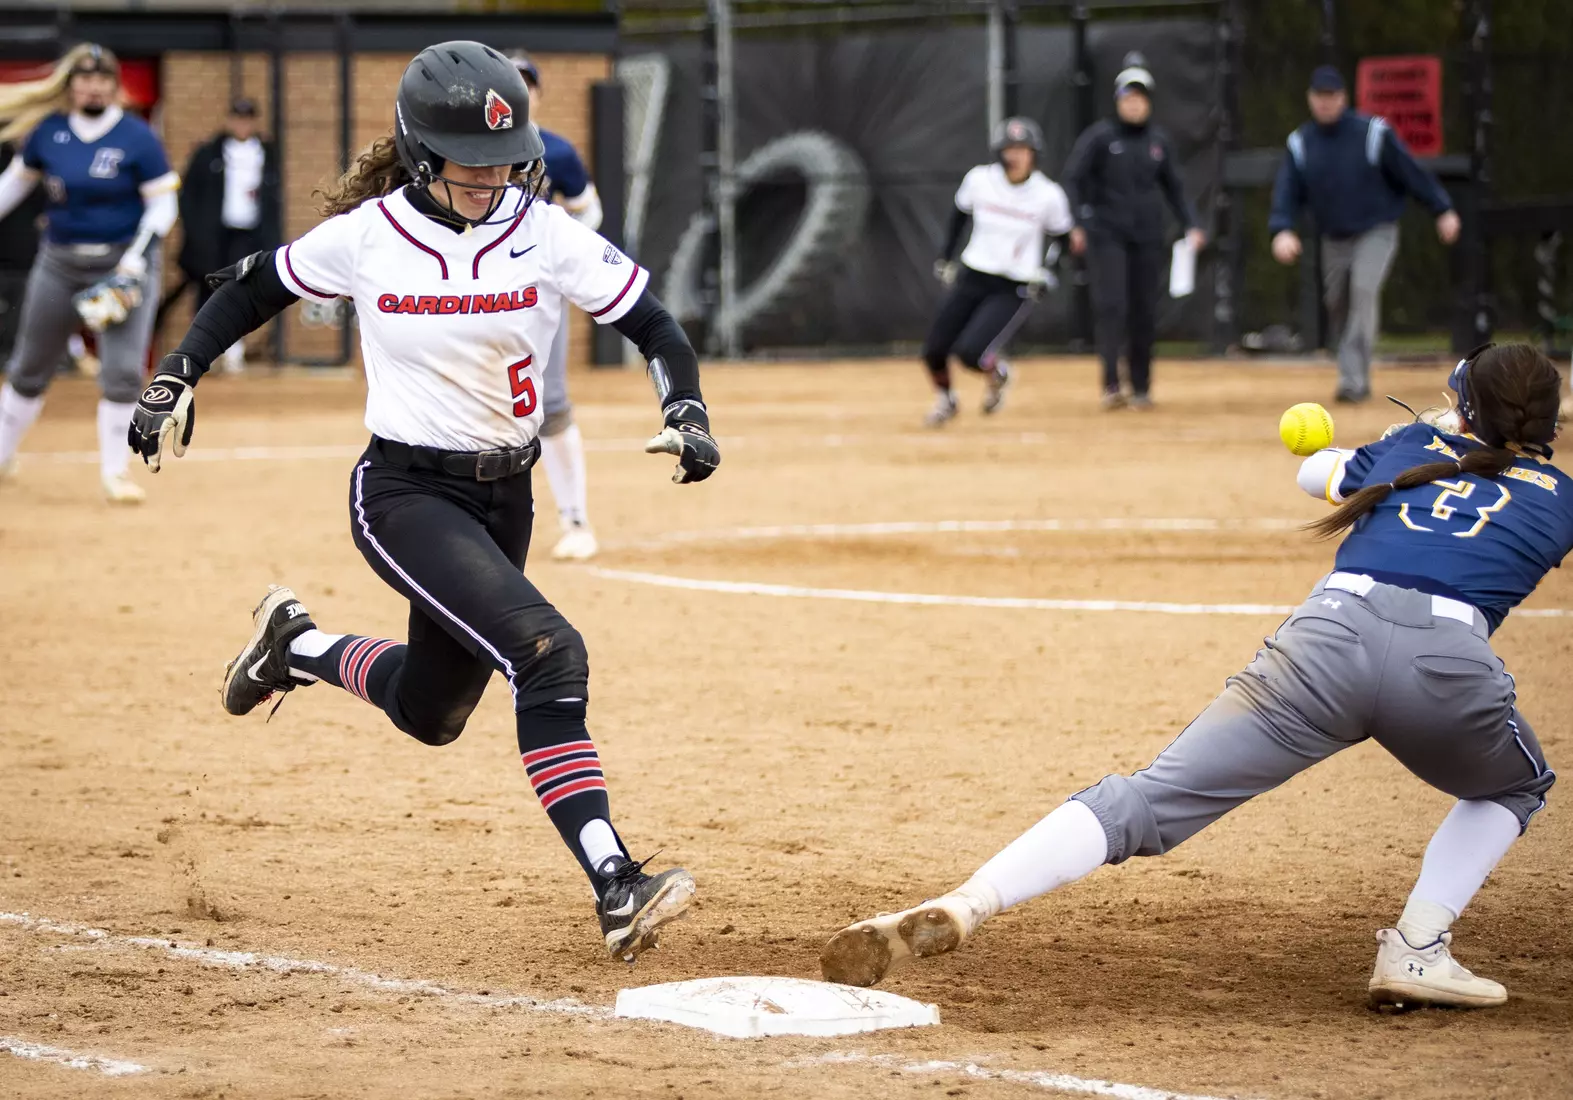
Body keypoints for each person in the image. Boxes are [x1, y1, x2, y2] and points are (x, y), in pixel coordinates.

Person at [126, 42, 720, 962]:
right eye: (468, 159)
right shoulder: (366, 236)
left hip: (505, 496)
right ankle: (615, 881)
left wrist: (684, 407)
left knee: (430, 712)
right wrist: (176, 373)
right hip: (403, 492)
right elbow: (252, 291)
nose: (491, 174)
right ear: (417, 151)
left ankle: (299, 646)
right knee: (549, 654)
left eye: (502, 155)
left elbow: (653, 323)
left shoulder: (539, 227)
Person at [823, 342, 1566, 1010]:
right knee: (1513, 784)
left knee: (1143, 801)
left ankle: (971, 899)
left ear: (1463, 407)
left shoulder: (1410, 447)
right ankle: (1415, 950)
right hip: (1447, 667)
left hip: (1321, 645)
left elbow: (1316, 472)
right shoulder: (1556, 495)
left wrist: (1416, 438)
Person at [0, 44, 178, 503]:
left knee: (121, 372)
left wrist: (138, 254)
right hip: (60, 261)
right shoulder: (49, 132)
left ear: (114, 84)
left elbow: (163, 203)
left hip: (122, 266)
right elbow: (13, 187)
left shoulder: (137, 136)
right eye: (84, 78)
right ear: (71, 84)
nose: (93, 86)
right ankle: (2, 454)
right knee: (29, 367)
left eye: (102, 78)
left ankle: (114, 474)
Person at [1270, 66, 1460, 404]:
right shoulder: (1301, 142)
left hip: (1377, 230)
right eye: (1319, 96)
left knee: (1363, 289)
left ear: (1343, 97)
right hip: (1334, 237)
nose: (1326, 103)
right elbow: (1287, 190)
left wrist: (1441, 208)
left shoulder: (1372, 133)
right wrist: (1282, 228)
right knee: (1338, 304)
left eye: (1332, 96)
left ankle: (1353, 382)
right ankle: (1352, 375)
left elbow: (1410, 173)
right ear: (1310, 99)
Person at [1063, 54, 1204, 411]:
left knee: (1144, 310)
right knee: (1112, 306)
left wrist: (1192, 223)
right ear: (1118, 100)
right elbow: (1074, 180)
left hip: (1147, 237)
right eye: (1128, 97)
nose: (1134, 104)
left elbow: (1175, 187)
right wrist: (1079, 221)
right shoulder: (1099, 138)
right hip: (1107, 235)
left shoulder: (1159, 142)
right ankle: (1111, 384)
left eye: (1140, 97)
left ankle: (1141, 386)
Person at [510, 51, 605, 560]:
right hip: (473, 294)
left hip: (539, 292)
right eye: (511, 83)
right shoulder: (468, 152)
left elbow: (590, 209)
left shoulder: (558, 152)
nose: (521, 93)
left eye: (528, 84)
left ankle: (575, 519)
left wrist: (561, 247)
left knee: (551, 404)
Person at [922, 116, 1071, 428]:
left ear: (1034, 153)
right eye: (1009, 148)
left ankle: (996, 373)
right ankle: (946, 399)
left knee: (970, 352)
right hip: (974, 273)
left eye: (1022, 148)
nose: (1015, 155)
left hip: (1013, 285)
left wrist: (1048, 271)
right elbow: (959, 216)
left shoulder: (1048, 194)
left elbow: (1062, 238)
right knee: (934, 349)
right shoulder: (979, 180)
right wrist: (946, 257)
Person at [177, 96, 281, 374]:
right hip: (214, 236)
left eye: (248, 119)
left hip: (248, 234)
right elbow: (188, 196)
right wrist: (196, 233)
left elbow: (272, 200)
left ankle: (234, 350)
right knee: (207, 290)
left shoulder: (267, 153)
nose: (242, 125)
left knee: (242, 290)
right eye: (238, 118)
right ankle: (201, 352)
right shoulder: (209, 153)